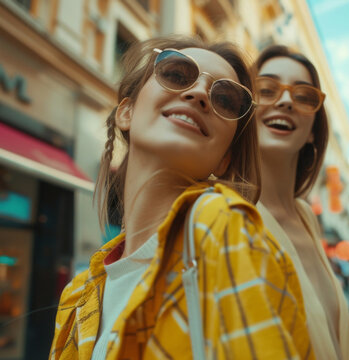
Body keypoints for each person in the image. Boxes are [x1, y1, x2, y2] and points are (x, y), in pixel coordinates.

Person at [50, 36, 314, 359]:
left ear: (224, 159)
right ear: (126, 112)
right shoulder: (78, 294)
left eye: (226, 99)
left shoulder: (224, 228)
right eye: (176, 74)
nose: (200, 93)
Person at [251, 45, 349, 360]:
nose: (285, 101)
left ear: (314, 130)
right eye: (266, 89)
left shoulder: (307, 217)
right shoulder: (223, 212)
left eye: (304, 96)